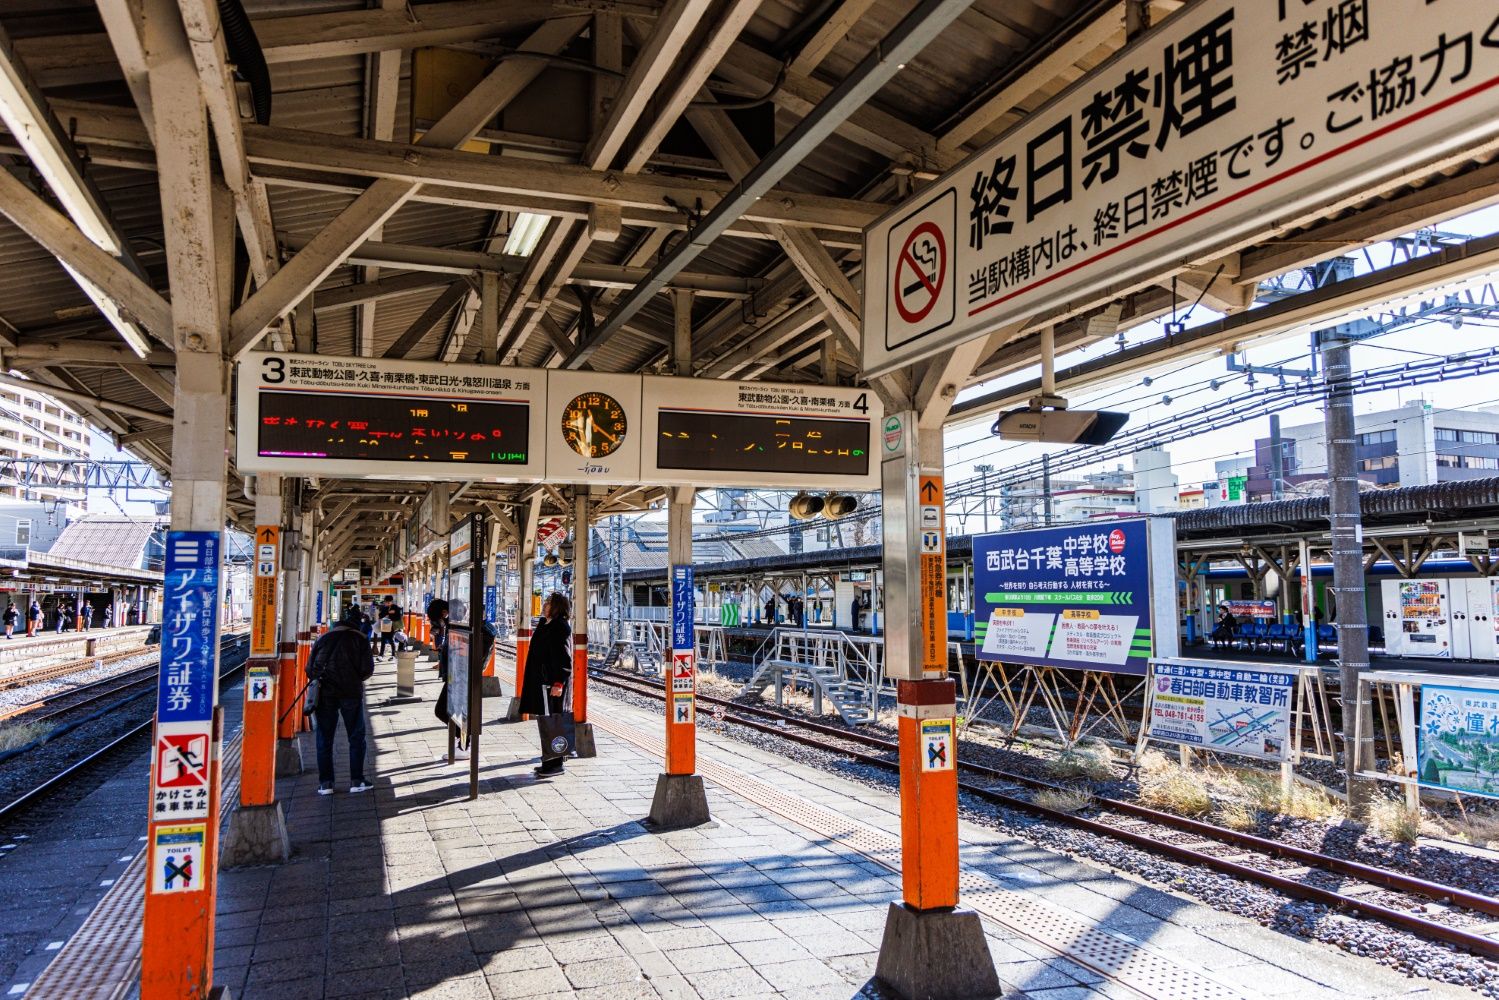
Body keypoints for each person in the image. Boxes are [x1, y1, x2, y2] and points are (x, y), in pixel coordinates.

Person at [305, 606, 376, 795]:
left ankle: (326, 784)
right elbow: (367, 670)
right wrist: (352, 677)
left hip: (325, 694)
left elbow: (310, 669)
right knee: (356, 736)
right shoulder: (360, 639)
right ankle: (357, 780)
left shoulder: (323, 638)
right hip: (350, 692)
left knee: (325, 737)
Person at [518, 592, 573, 778]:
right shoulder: (545, 624)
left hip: (552, 685)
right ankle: (548, 759)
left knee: (553, 721)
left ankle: (555, 763)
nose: (544, 605)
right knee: (545, 721)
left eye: (548, 602)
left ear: (557, 606)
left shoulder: (560, 627)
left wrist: (559, 682)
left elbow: (565, 659)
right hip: (542, 683)